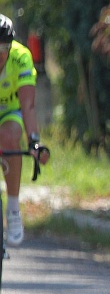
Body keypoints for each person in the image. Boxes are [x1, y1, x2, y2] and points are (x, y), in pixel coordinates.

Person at [0, 14, 48, 246]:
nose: (0, 54)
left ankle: (13, 206)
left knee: (10, 137)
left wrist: (34, 142)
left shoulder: (21, 57)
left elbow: (28, 105)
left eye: (5, 47)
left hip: (11, 111)